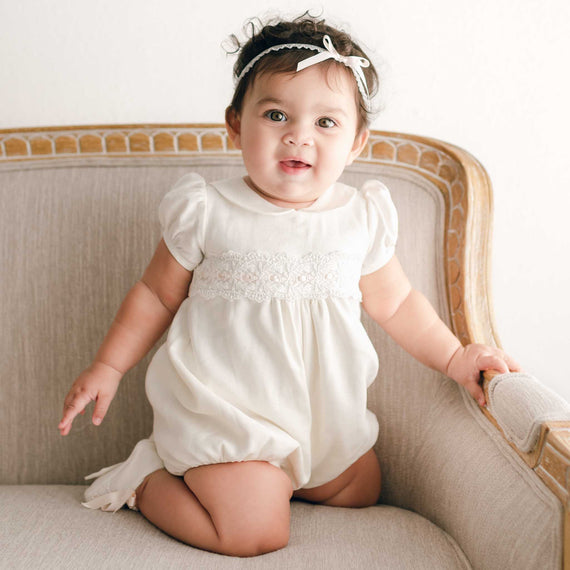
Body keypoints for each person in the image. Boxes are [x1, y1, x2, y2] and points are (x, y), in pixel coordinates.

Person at [58, 14, 520, 558]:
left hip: (322, 422)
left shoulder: (360, 217)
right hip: (231, 421)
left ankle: (287, 478)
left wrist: (454, 357)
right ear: (235, 125)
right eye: (276, 114)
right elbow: (157, 295)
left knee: (362, 488)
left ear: (356, 143)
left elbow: (397, 303)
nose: (299, 135)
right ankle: (145, 478)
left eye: (326, 122)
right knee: (254, 535)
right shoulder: (208, 211)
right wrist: (109, 366)